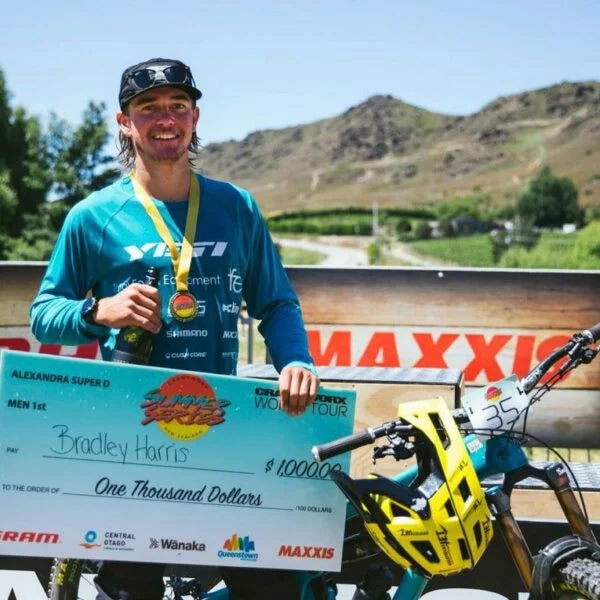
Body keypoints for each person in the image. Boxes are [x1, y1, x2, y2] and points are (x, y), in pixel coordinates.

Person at [30, 57, 320, 600]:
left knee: (271, 587)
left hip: (221, 427)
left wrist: (296, 361)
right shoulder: (93, 216)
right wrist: (98, 312)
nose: (165, 119)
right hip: (127, 437)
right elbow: (44, 313)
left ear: (194, 117)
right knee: (131, 591)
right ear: (124, 121)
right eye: (149, 108)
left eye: (177, 106)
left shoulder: (236, 207)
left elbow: (277, 304)